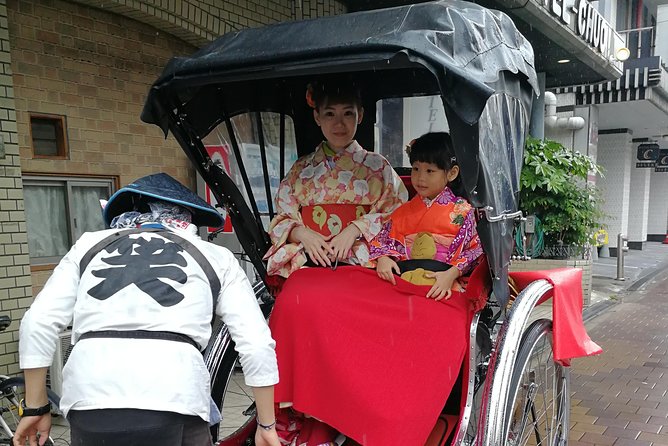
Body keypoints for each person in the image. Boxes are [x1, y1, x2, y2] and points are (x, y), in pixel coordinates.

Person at [14, 173, 280, 446]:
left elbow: (37, 322)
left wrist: (36, 407)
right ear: (186, 218)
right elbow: (256, 342)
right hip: (175, 397)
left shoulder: (88, 245)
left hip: (89, 397)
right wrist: (266, 423)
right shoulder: (216, 256)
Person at [264, 79, 407, 278]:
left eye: (348, 113)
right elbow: (282, 219)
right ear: (317, 117)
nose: (339, 123)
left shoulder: (378, 166)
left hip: (362, 259)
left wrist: (356, 229)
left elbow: (397, 214)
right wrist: (303, 234)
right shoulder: (301, 168)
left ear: (360, 115)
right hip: (309, 259)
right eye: (329, 114)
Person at [371, 132, 483, 299]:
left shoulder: (464, 212)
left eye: (430, 171)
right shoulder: (402, 212)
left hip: (445, 284)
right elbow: (382, 241)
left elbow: (476, 250)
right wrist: (383, 258)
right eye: (416, 169)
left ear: (451, 173)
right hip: (405, 283)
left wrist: (451, 274)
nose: (420, 178)